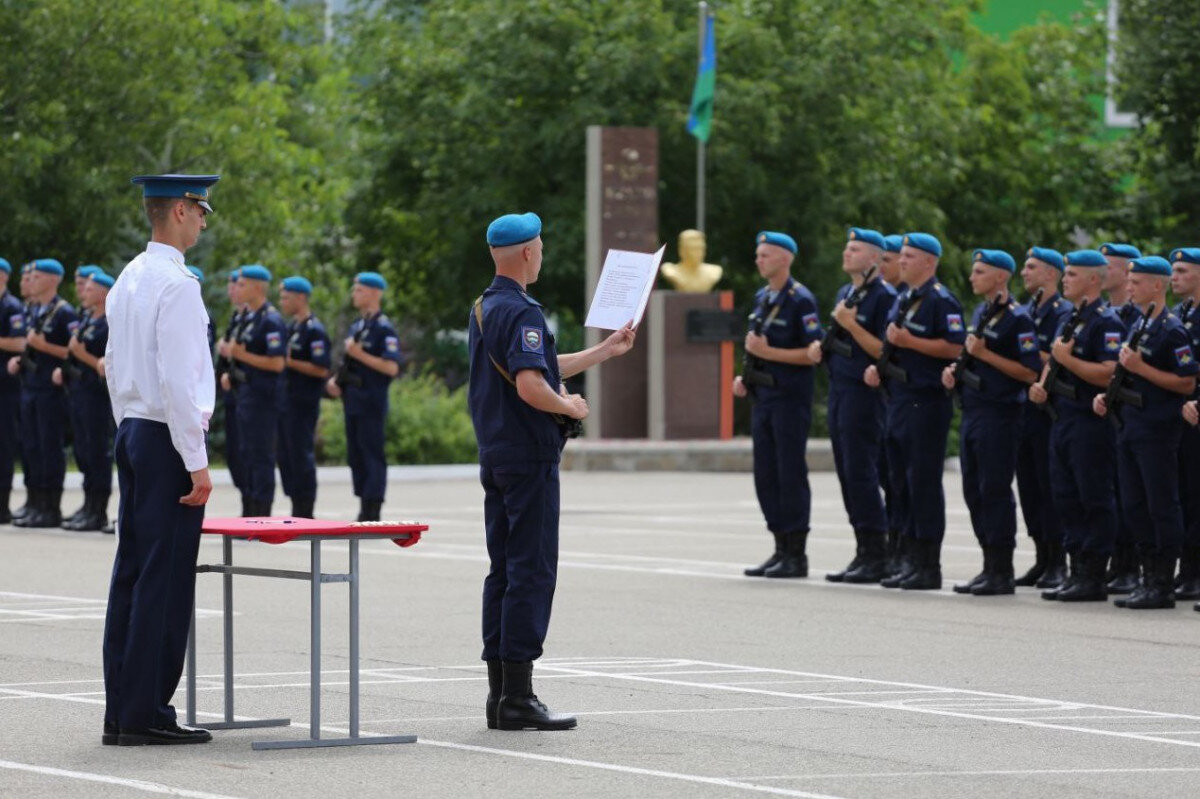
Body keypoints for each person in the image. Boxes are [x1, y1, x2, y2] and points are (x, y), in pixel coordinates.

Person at [469, 211, 635, 731]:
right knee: (532, 571)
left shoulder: (485, 307)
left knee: (503, 570)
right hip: (527, 456)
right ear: (526, 252)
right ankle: (519, 697)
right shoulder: (522, 312)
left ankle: (501, 696)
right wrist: (571, 409)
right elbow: (531, 385)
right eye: (540, 245)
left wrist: (604, 352)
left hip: (497, 453)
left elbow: (539, 366)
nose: (542, 253)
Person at [102, 172, 217, 746]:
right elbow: (178, 381)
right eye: (201, 210)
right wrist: (194, 461)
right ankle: (147, 711)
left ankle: (122, 710)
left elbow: (111, 363)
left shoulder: (128, 278)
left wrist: (129, 429)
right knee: (164, 580)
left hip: (135, 432)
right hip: (167, 439)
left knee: (133, 573)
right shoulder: (177, 284)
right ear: (177, 210)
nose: (203, 220)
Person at [1095, 255, 1197, 609]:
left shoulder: (1172, 329)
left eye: (1137, 281)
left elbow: (1185, 381)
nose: (1130, 286)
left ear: (1158, 285)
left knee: (1160, 504)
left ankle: (1162, 581)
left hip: (1157, 428)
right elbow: (1127, 373)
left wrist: (1140, 368)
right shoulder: (1138, 325)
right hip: (1131, 426)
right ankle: (1147, 575)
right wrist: (1107, 396)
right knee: (1135, 504)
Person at [865, 233, 965, 590]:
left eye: (909, 256)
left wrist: (911, 342)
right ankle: (907, 557)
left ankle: (928, 564)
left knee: (922, 482)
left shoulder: (941, 300)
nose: (901, 261)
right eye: (901, 256)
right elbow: (894, 346)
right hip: (899, 400)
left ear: (929, 262)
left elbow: (955, 347)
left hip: (926, 402)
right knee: (900, 482)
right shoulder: (905, 299)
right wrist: (882, 366)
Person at [1028, 250, 1126, 602]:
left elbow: (1109, 371)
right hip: (1062, 418)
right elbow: (1055, 364)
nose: (1065, 279)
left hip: (1090, 422)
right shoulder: (1069, 318)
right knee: (1065, 496)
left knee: (1093, 496)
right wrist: (1043, 384)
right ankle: (1076, 569)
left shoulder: (1106, 321)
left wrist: (1065, 358)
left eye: (1072, 274)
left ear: (1093, 280)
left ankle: (1094, 573)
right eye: (1065, 273)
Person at [942, 249, 1041, 595]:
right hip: (973, 410)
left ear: (1001, 276)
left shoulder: (1018, 318)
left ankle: (1002, 569)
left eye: (980, 271)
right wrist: (957, 371)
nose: (972, 277)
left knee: (994, 490)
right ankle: (988, 565)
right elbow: (975, 356)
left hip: (1000, 414)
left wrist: (985, 354)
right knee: (974, 492)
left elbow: (1030, 371)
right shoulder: (983, 312)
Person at [734, 231, 824, 579]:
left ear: (785, 258)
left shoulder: (800, 300)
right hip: (764, 398)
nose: (759, 260)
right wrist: (747, 377)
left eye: (766, 255)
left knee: (790, 474)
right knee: (766, 475)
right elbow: (755, 347)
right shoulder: (762, 297)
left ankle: (796, 553)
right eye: (758, 255)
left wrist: (767, 353)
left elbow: (813, 353)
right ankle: (779, 545)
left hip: (790, 400)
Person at [824, 228, 896, 583]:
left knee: (862, 472)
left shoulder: (884, 296)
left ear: (873, 258)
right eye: (846, 247)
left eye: (854, 249)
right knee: (846, 473)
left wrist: (851, 324)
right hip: (840, 390)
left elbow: (887, 350)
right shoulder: (846, 293)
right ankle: (862, 549)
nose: (846, 253)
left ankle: (877, 552)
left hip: (864, 396)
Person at [1013, 247, 1073, 588]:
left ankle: (1058, 560)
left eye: (1032, 267)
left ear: (1051, 273)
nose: (1024, 273)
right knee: (1030, 487)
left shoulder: (1062, 312)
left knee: (1051, 487)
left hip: (1049, 412)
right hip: (1024, 409)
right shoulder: (1025, 312)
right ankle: (1041, 556)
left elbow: (1057, 357)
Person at [325, 272, 403, 522]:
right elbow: (350, 364)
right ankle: (363, 501)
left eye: (359, 290)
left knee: (372, 454)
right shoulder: (358, 327)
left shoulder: (383, 328)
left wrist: (359, 354)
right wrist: (337, 381)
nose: (354, 294)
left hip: (371, 402)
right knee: (356, 456)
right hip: (353, 402)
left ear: (374, 293)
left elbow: (391, 368)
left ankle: (373, 507)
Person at [8, 258, 78, 528]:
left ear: (52, 280)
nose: (31, 281)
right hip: (31, 388)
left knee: (50, 449)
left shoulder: (63, 312)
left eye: (36, 277)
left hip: (51, 392)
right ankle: (36, 503)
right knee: (32, 447)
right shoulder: (36, 311)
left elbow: (71, 353)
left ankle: (51, 508)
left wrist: (43, 345)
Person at [55, 271, 116, 531]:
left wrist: (82, 355)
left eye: (91, 288)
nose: (84, 291)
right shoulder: (88, 320)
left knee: (97, 452)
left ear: (104, 293)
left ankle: (98, 510)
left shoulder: (109, 323)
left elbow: (107, 366)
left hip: (96, 396)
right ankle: (87, 505)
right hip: (79, 393)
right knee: (84, 452)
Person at [1100, 242, 1143, 592]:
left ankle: (1132, 566)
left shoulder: (1137, 316)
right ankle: (1116, 561)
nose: (1102, 272)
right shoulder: (1100, 312)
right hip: (1103, 415)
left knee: (1131, 492)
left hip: (1134, 416)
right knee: (1108, 490)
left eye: (1109, 266)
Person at [225, 265, 285, 516]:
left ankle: (261, 513)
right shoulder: (250, 319)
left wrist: (242, 355)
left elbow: (277, 362)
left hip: (263, 399)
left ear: (258, 288)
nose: (238, 288)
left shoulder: (271, 320)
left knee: (260, 456)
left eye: (243, 284)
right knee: (245, 453)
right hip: (246, 397)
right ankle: (249, 509)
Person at [277, 276, 330, 518]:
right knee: (287, 456)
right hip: (287, 402)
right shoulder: (292, 328)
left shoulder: (314, 330)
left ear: (301, 298)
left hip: (303, 403)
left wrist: (290, 362)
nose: (282, 302)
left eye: (286, 297)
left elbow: (321, 368)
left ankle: (305, 510)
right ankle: (296, 505)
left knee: (301, 456)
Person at [1171, 248, 1200, 600]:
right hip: (1175, 415)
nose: (1174, 276)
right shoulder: (1179, 315)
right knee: (1180, 495)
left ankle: (1194, 571)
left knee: (1196, 497)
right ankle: (1185, 568)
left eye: (1182, 270)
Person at [216, 269, 246, 504]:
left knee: (249, 456)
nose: (231, 290)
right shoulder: (237, 319)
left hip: (249, 396)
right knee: (235, 455)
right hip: (234, 396)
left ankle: (254, 511)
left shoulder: (262, 320)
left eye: (237, 285)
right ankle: (249, 508)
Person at [0, 258, 24, 523]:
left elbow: (19, 342)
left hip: (5, 389)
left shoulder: (11, 307)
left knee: (3, 446)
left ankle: (3, 505)